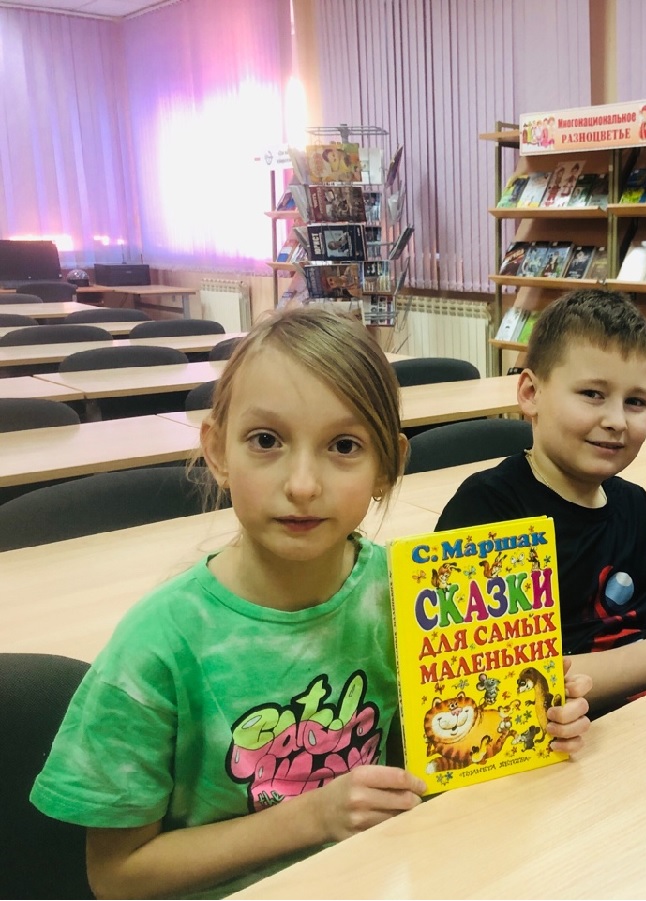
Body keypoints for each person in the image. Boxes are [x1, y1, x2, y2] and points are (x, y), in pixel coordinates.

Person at [30, 307, 591, 899]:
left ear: (388, 466)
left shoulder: (409, 596)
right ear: (217, 451)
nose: (302, 484)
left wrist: (531, 718)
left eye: (344, 446)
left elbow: (453, 752)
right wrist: (312, 818)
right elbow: (117, 877)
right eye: (266, 441)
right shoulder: (155, 650)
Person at [435, 289, 646, 713]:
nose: (616, 420)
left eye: (636, 402)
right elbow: (503, 683)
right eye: (592, 394)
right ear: (530, 393)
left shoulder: (636, 506)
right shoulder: (487, 512)